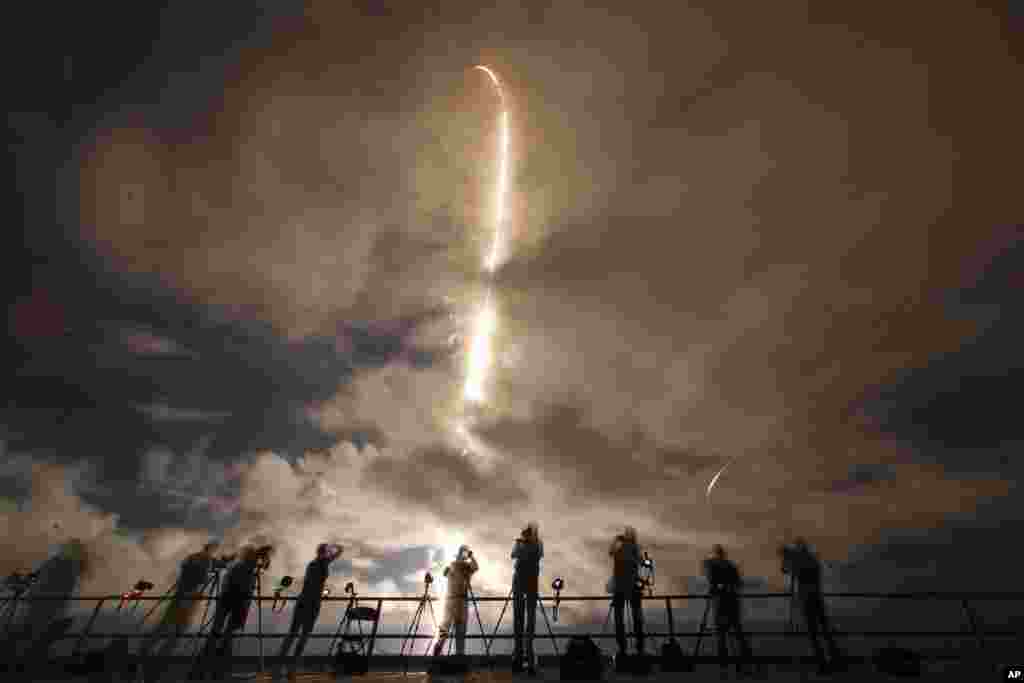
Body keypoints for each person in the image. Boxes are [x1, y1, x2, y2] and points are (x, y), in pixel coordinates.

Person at [195, 544, 274, 678]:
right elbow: (263, 566)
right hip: (237, 599)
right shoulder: (249, 560)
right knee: (225, 634)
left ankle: (205, 668)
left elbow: (261, 566)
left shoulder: (245, 557)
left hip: (229, 597)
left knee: (218, 633)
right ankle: (216, 669)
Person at [138, 542, 219, 669]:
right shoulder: (207, 560)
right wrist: (210, 572)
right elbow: (202, 579)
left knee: (164, 624)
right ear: (213, 550)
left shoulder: (191, 557)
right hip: (190, 598)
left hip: (179, 595)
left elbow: (184, 572)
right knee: (179, 630)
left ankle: (145, 649)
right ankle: (161, 659)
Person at [18, 537, 90, 669]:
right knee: (34, 631)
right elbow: (38, 576)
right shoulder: (67, 565)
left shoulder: (60, 563)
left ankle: (28, 658)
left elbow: (38, 577)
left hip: (44, 604)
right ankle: (30, 657)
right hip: (46, 604)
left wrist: (27, 583)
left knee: (32, 630)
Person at [274, 543, 343, 679]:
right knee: (300, 636)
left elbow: (339, 551)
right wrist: (321, 593)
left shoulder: (318, 563)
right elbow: (339, 551)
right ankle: (289, 669)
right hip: (310, 604)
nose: (329, 554)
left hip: (305, 602)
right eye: (327, 551)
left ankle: (281, 668)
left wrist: (332, 547)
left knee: (294, 635)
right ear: (324, 552)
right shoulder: (320, 564)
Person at [779, 538, 842, 673]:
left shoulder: (798, 561)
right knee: (825, 630)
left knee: (813, 633)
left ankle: (821, 663)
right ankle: (835, 658)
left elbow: (785, 570)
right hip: (817, 597)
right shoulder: (812, 559)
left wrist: (787, 557)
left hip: (807, 599)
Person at [703, 545, 753, 673]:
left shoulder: (712, 565)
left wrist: (717, 588)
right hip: (732, 602)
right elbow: (738, 583)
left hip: (721, 603)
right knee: (737, 631)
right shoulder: (730, 566)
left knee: (721, 633)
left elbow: (712, 582)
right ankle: (745, 658)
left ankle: (723, 662)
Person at [432, 546, 479, 657]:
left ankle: (440, 649)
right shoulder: (465, 568)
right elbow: (475, 567)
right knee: (457, 628)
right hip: (458, 600)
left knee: (448, 627)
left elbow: (446, 573)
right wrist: (471, 557)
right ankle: (457, 654)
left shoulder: (453, 567)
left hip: (452, 600)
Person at [511, 522, 543, 674]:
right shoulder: (520, 544)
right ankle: (518, 657)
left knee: (529, 623)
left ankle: (529, 660)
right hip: (520, 585)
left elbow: (537, 554)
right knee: (519, 621)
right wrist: (521, 545)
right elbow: (513, 555)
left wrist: (525, 546)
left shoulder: (538, 544)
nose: (526, 535)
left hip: (530, 585)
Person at [608, 526, 645, 657]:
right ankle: (635, 647)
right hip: (627, 586)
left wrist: (616, 541)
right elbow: (641, 562)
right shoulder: (632, 548)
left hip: (623, 587)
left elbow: (611, 553)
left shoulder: (629, 548)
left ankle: (627, 647)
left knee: (628, 619)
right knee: (634, 618)